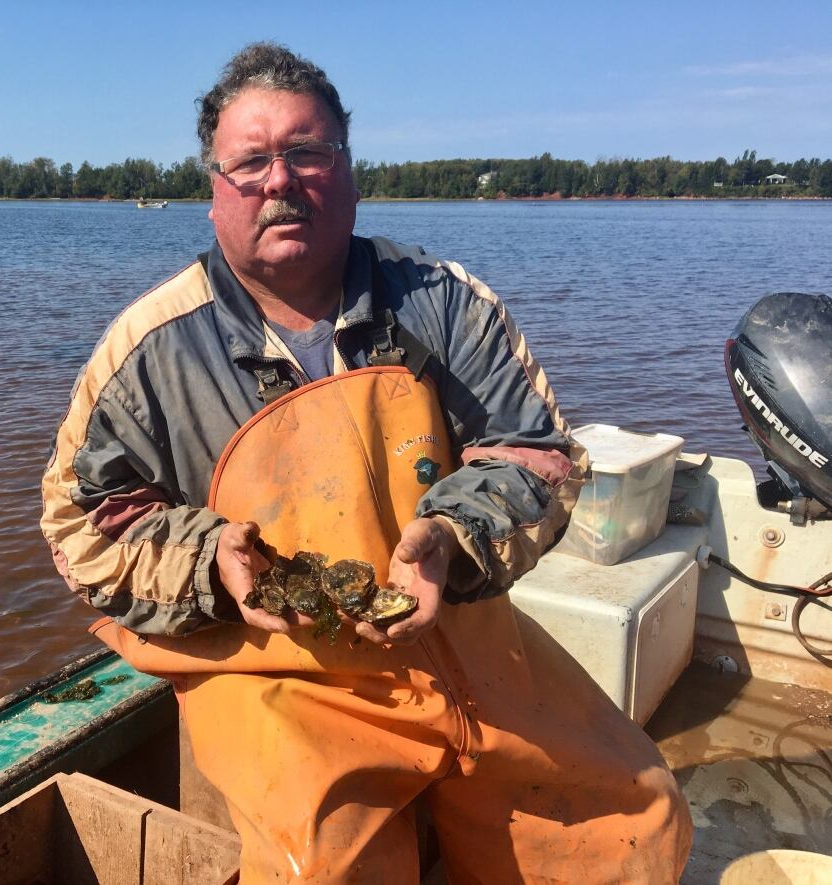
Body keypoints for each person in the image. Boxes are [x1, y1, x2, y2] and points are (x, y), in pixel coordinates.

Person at [42, 42, 691, 883]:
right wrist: (212, 563)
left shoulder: (445, 303)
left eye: (307, 153)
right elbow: (84, 525)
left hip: (455, 627)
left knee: (633, 812)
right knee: (326, 867)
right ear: (214, 193)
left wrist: (455, 533)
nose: (280, 180)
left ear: (350, 173)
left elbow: (534, 452)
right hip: (278, 665)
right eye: (250, 162)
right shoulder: (147, 351)